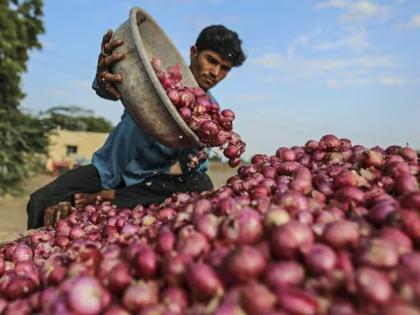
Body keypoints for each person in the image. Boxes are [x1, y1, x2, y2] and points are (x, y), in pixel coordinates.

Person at [26, 24, 246, 229]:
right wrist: (104, 76)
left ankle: (110, 197)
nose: (215, 72)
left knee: (201, 183)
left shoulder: (211, 115)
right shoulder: (157, 78)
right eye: (211, 61)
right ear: (194, 52)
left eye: (224, 68)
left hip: (147, 184)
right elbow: (112, 88)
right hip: (106, 171)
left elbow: (192, 171)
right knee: (40, 200)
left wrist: (197, 149)